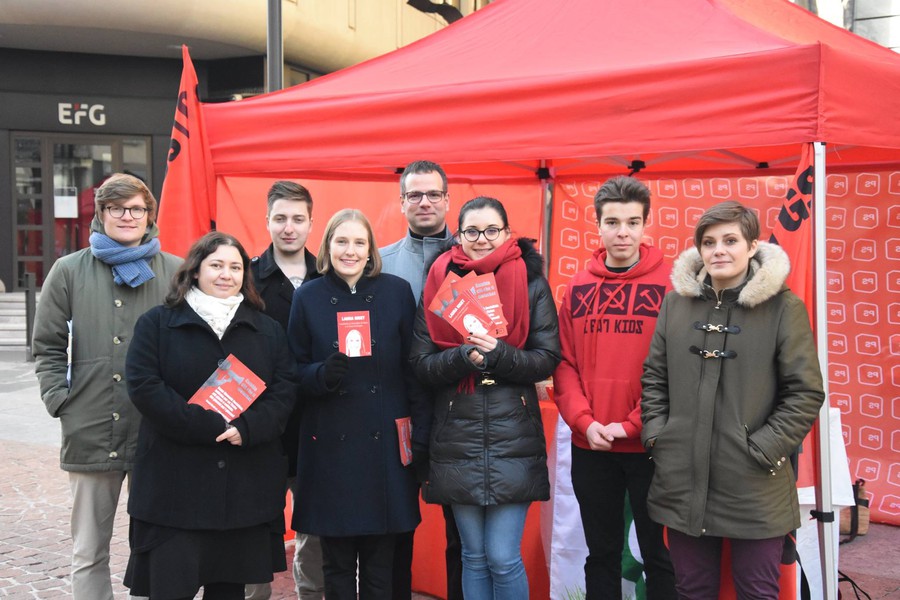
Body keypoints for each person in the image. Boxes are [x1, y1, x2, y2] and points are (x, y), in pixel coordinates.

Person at [640, 201, 825, 599]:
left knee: (757, 593)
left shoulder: (783, 307)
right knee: (691, 591)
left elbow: (805, 392)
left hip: (754, 484)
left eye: (730, 240)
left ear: (752, 245)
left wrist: (761, 449)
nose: (718, 250)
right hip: (683, 479)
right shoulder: (675, 304)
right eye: (709, 242)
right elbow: (655, 378)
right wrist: (659, 436)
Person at [32, 173, 182, 600]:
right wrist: (59, 399)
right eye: (116, 208)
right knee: (88, 550)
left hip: (156, 431)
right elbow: (47, 344)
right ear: (101, 213)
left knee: (154, 545)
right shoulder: (69, 270)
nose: (127, 216)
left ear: (149, 215)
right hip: (90, 425)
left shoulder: (172, 271)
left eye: (136, 208)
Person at [124, 231, 297, 600]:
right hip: (174, 491)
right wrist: (211, 425)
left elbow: (284, 390)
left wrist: (246, 428)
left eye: (236, 267)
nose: (226, 274)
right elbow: (144, 387)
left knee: (229, 592)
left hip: (242, 491)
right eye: (216, 265)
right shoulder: (156, 323)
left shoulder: (267, 330)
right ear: (196, 270)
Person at [410, 196, 561, 600]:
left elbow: (546, 359)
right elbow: (422, 364)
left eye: (491, 230)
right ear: (458, 234)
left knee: (502, 556)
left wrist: (499, 355)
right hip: (456, 433)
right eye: (471, 231)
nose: (481, 239)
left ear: (507, 233)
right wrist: (462, 357)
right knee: (473, 556)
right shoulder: (439, 279)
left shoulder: (531, 282)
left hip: (513, 433)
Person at [287, 209, 429, 599]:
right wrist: (320, 374)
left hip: (384, 446)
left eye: (359, 242)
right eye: (341, 241)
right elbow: (291, 371)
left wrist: (422, 438)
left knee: (382, 566)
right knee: (335, 565)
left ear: (371, 250)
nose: (350, 250)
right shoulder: (308, 297)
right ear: (327, 246)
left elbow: (413, 370)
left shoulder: (396, 292)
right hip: (330, 447)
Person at [552, 176, 677, 599]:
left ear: (645, 225)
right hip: (593, 448)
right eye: (612, 222)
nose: (622, 231)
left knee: (661, 557)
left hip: (651, 445)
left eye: (632, 221)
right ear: (599, 226)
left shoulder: (672, 286)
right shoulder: (578, 286)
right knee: (600, 553)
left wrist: (633, 425)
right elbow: (564, 364)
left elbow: (675, 368)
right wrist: (586, 423)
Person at [379, 160, 460, 600]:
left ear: (448, 200)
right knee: (396, 526)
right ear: (402, 202)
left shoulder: (473, 259)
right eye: (415, 195)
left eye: (432, 194)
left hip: (460, 412)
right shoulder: (382, 263)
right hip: (399, 415)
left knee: (462, 532)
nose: (424, 202)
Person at [248, 180, 324, 600]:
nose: (289, 227)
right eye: (280, 218)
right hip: (262, 424)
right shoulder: (246, 278)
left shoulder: (328, 275)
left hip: (315, 423)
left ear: (312, 222)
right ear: (268, 221)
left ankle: (312, 594)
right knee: (259, 520)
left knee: (313, 523)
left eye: (298, 219)